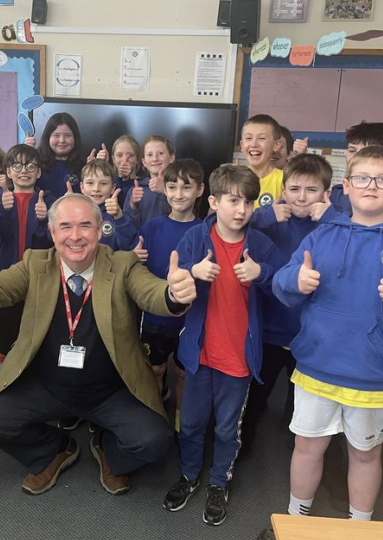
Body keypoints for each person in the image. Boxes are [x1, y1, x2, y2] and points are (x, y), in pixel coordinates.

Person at [0, 194, 197, 496]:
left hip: (110, 390)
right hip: (46, 386)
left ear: (99, 229)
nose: (76, 236)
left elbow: (151, 292)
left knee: (155, 440)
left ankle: (107, 450)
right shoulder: (35, 263)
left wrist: (173, 294)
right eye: (65, 226)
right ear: (53, 233)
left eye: (85, 226)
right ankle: (55, 450)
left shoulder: (122, 264)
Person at [272, 145, 383, 521]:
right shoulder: (323, 234)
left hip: (376, 373)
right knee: (306, 447)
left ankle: (359, 528)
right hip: (318, 364)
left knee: (365, 455)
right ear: (345, 187)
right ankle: (294, 521)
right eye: (363, 178)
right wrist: (295, 281)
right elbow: (282, 283)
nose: (372, 186)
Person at [163, 164, 284, 526]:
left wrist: (261, 274)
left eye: (248, 202)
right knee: (192, 423)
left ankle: (219, 482)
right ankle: (188, 475)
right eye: (233, 200)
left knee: (227, 428)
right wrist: (192, 272)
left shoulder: (260, 244)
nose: (242, 210)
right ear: (214, 201)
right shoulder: (198, 240)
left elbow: (283, 280)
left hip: (239, 359)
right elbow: (177, 273)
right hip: (199, 356)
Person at [240, 154, 333, 458]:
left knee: (302, 405)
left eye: (311, 190)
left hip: (309, 333)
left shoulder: (334, 225)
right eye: (294, 189)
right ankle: (241, 449)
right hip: (269, 328)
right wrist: (266, 216)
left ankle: (300, 451)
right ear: (283, 191)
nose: (302, 198)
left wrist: (331, 219)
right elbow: (228, 223)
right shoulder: (269, 218)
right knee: (255, 397)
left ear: (325, 194)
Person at [134, 158, 204, 426]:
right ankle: (155, 409)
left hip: (191, 319)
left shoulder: (205, 231)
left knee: (184, 372)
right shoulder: (152, 227)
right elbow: (135, 266)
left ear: (199, 190)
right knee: (154, 368)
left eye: (186, 187)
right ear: (164, 189)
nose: (178, 194)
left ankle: (180, 418)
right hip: (155, 317)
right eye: (172, 187)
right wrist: (134, 257)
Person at [0, 144, 54, 362]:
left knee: (37, 331)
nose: (24, 170)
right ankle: (5, 380)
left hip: (39, 279)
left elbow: (49, 243)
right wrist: (3, 210)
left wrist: (45, 219)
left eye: (30, 165)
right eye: (17, 165)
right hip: (7, 277)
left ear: (39, 172)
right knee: (7, 334)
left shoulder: (49, 200)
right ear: (8, 171)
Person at [80, 159, 138, 251]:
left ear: (112, 188)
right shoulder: (74, 213)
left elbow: (128, 246)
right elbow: (52, 236)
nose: (96, 188)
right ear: (82, 187)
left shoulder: (117, 216)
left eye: (103, 183)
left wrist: (119, 217)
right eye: (90, 183)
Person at [124, 135, 176, 229]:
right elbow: (128, 227)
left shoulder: (180, 188)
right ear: (144, 162)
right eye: (150, 155)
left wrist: (164, 192)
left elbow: (181, 218)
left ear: (171, 158)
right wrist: (132, 205)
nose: (155, 159)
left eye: (160, 153)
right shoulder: (136, 190)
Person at [36, 112, 86, 196]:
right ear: (48, 137)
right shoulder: (36, 163)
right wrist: (27, 155)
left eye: (67, 135)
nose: (62, 140)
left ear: (75, 138)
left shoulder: (84, 165)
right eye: (56, 135)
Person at [240, 114, 284, 208]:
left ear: (276, 145)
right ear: (242, 145)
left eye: (261, 138)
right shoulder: (234, 180)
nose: (254, 144)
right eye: (248, 138)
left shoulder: (284, 181)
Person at [111, 135, 143, 208]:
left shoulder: (143, 184)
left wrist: (127, 180)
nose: (124, 159)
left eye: (130, 156)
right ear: (113, 159)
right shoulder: (109, 182)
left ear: (137, 159)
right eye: (119, 155)